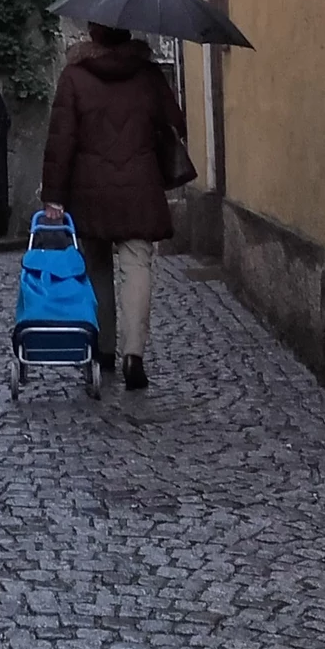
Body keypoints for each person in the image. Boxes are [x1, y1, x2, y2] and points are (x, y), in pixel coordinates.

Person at [41, 22, 187, 390]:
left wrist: (54, 197)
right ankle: (133, 355)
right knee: (137, 267)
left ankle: (104, 349)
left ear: (93, 33)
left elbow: (61, 140)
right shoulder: (149, 75)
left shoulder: (74, 76)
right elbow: (177, 122)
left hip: (90, 191)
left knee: (97, 269)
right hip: (140, 188)